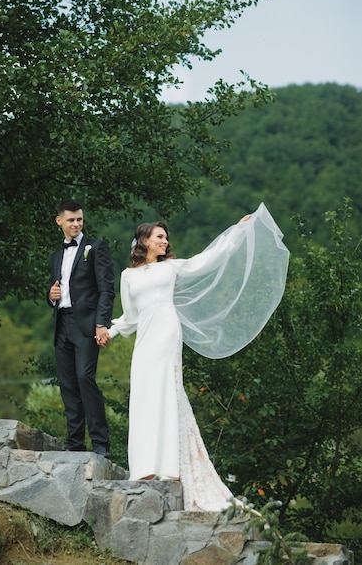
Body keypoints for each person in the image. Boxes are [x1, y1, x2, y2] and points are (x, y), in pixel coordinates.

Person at [107, 203, 289, 511]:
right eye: (159, 237)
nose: (165, 241)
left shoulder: (172, 267)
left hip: (166, 331)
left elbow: (208, 259)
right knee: (144, 394)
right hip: (145, 338)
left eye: (166, 237)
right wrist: (108, 333)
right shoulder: (127, 276)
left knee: (165, 390)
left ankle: (166, 467)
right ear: (144, 241)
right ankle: (144, 467)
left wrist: (237, 232)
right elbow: (129, 317)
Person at [47, 199, 115, 457]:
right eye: (71, 220)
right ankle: (74, 444)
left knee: (85, 378)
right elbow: (55, 291)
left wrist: (101, 323)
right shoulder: (56, 256)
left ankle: (100, 444)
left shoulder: (96, 248)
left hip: (86, 325)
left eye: (79, 219)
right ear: (59, 221)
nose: (76, 224)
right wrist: (50, 295)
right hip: (61, 323)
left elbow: (107, 289)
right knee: (68, 384)